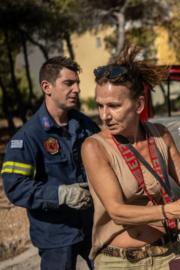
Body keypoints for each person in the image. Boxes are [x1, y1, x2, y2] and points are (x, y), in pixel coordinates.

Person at [81, 46, 180, 269]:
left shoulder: (160, 133)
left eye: (114, 106)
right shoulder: (94, 147)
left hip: (168, 252)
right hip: (122, 262)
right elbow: (117, 211)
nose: (105, 115)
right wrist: (171, 210)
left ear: (139, 105)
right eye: (100, 105)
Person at [1, 57, 99, 269]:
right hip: (56, 235)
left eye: (78, 83)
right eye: (69, 83)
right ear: (47, 87)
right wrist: (61, 194)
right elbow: (15, 186)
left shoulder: (86, 126)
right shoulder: (27, 137)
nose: (77, 89)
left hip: (93, 226)